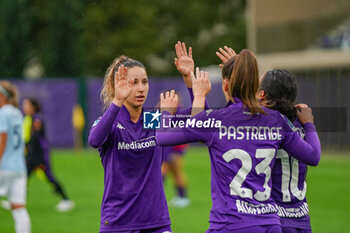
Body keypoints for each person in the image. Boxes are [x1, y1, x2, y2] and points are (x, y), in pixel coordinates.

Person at [156, 49, 321, 233]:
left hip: (231, 223)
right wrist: (309, 126)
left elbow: (163, 136)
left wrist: (166, 113)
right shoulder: (277, 120)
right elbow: (313, 156)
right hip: (270, 223)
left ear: (225, 85)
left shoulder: (218, 120)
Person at [88, 41, 195, 232]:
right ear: (119, 85)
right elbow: (94, 140)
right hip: (118, 222)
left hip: (156, 222)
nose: (141, 88)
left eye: (144, 82)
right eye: (133, 82)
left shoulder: (153, 119)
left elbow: (200, 117)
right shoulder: (110, 121)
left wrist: (189, 79)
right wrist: (118, 100)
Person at [258, 70, 313, 233]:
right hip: (301, 217)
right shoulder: (302, 121)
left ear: (264, 94)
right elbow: (315, 155)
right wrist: (310, 125)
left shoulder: (265, 123)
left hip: (275, 217)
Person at [22, 98, 74, 212]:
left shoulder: (37, 119)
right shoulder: (28, 119)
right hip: (32, 154)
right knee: (23, 177)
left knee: (49, 177)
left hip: (40, 155)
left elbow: (35, 137)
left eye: (26, 105)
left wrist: (25, 145)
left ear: (33, 107)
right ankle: (18, 202)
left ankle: (66, 200)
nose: (24, 107)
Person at [0, 81, 31, 233]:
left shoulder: (3, 113)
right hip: (19, 168)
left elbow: (2, 142)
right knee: (18, 207)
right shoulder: (17, 112)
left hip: (4, 167)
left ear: (2, 96)